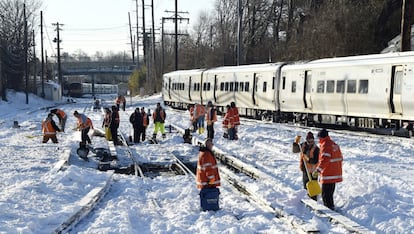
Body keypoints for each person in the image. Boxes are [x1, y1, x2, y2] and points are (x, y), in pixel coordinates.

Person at [312, 129, 343, 210]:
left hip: (328, 174)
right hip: (335, 172)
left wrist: (317, 170)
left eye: (319, 138)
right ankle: (331, 208)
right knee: (330, 194)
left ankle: (330, 212)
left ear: (321, 137)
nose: (318, 140)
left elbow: (324, 160)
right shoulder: (333, 144)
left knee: (325, 195)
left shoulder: (325, 145)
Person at [196, 138, 221, 211]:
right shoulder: (206, 154)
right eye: (211, 143)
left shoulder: (204, 152)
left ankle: (207, 207)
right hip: (207, 181)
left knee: (207, 195)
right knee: (209, 195)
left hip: (205, 180)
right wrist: (211, 179)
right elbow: (208, 169)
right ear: (207, 145)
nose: (212, 145)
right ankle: (209, 208)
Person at [300, 132, 320, 200]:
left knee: (313, 190)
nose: (310, 142)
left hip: (313, 172)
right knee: (306, 187)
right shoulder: (302, 145)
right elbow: (295, 150)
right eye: (309, 141)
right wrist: (295, 144)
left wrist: (307, 158)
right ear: (306, 140)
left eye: (312, 141)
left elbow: (315, 161)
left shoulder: (316, 149)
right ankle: (307, 200)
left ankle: (314, 200)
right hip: (305, 170)